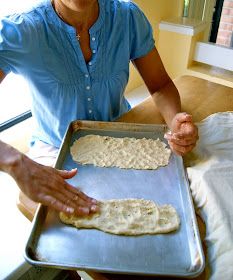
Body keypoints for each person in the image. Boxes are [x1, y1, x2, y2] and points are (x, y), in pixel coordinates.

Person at [0, 0, 198, 216]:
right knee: (69, 218)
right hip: (55, 148)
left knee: (173, 197)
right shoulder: (22, 31)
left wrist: (175, 120)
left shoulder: (127, 18)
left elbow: (160, 85)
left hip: (122, 136)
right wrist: (15, 162)